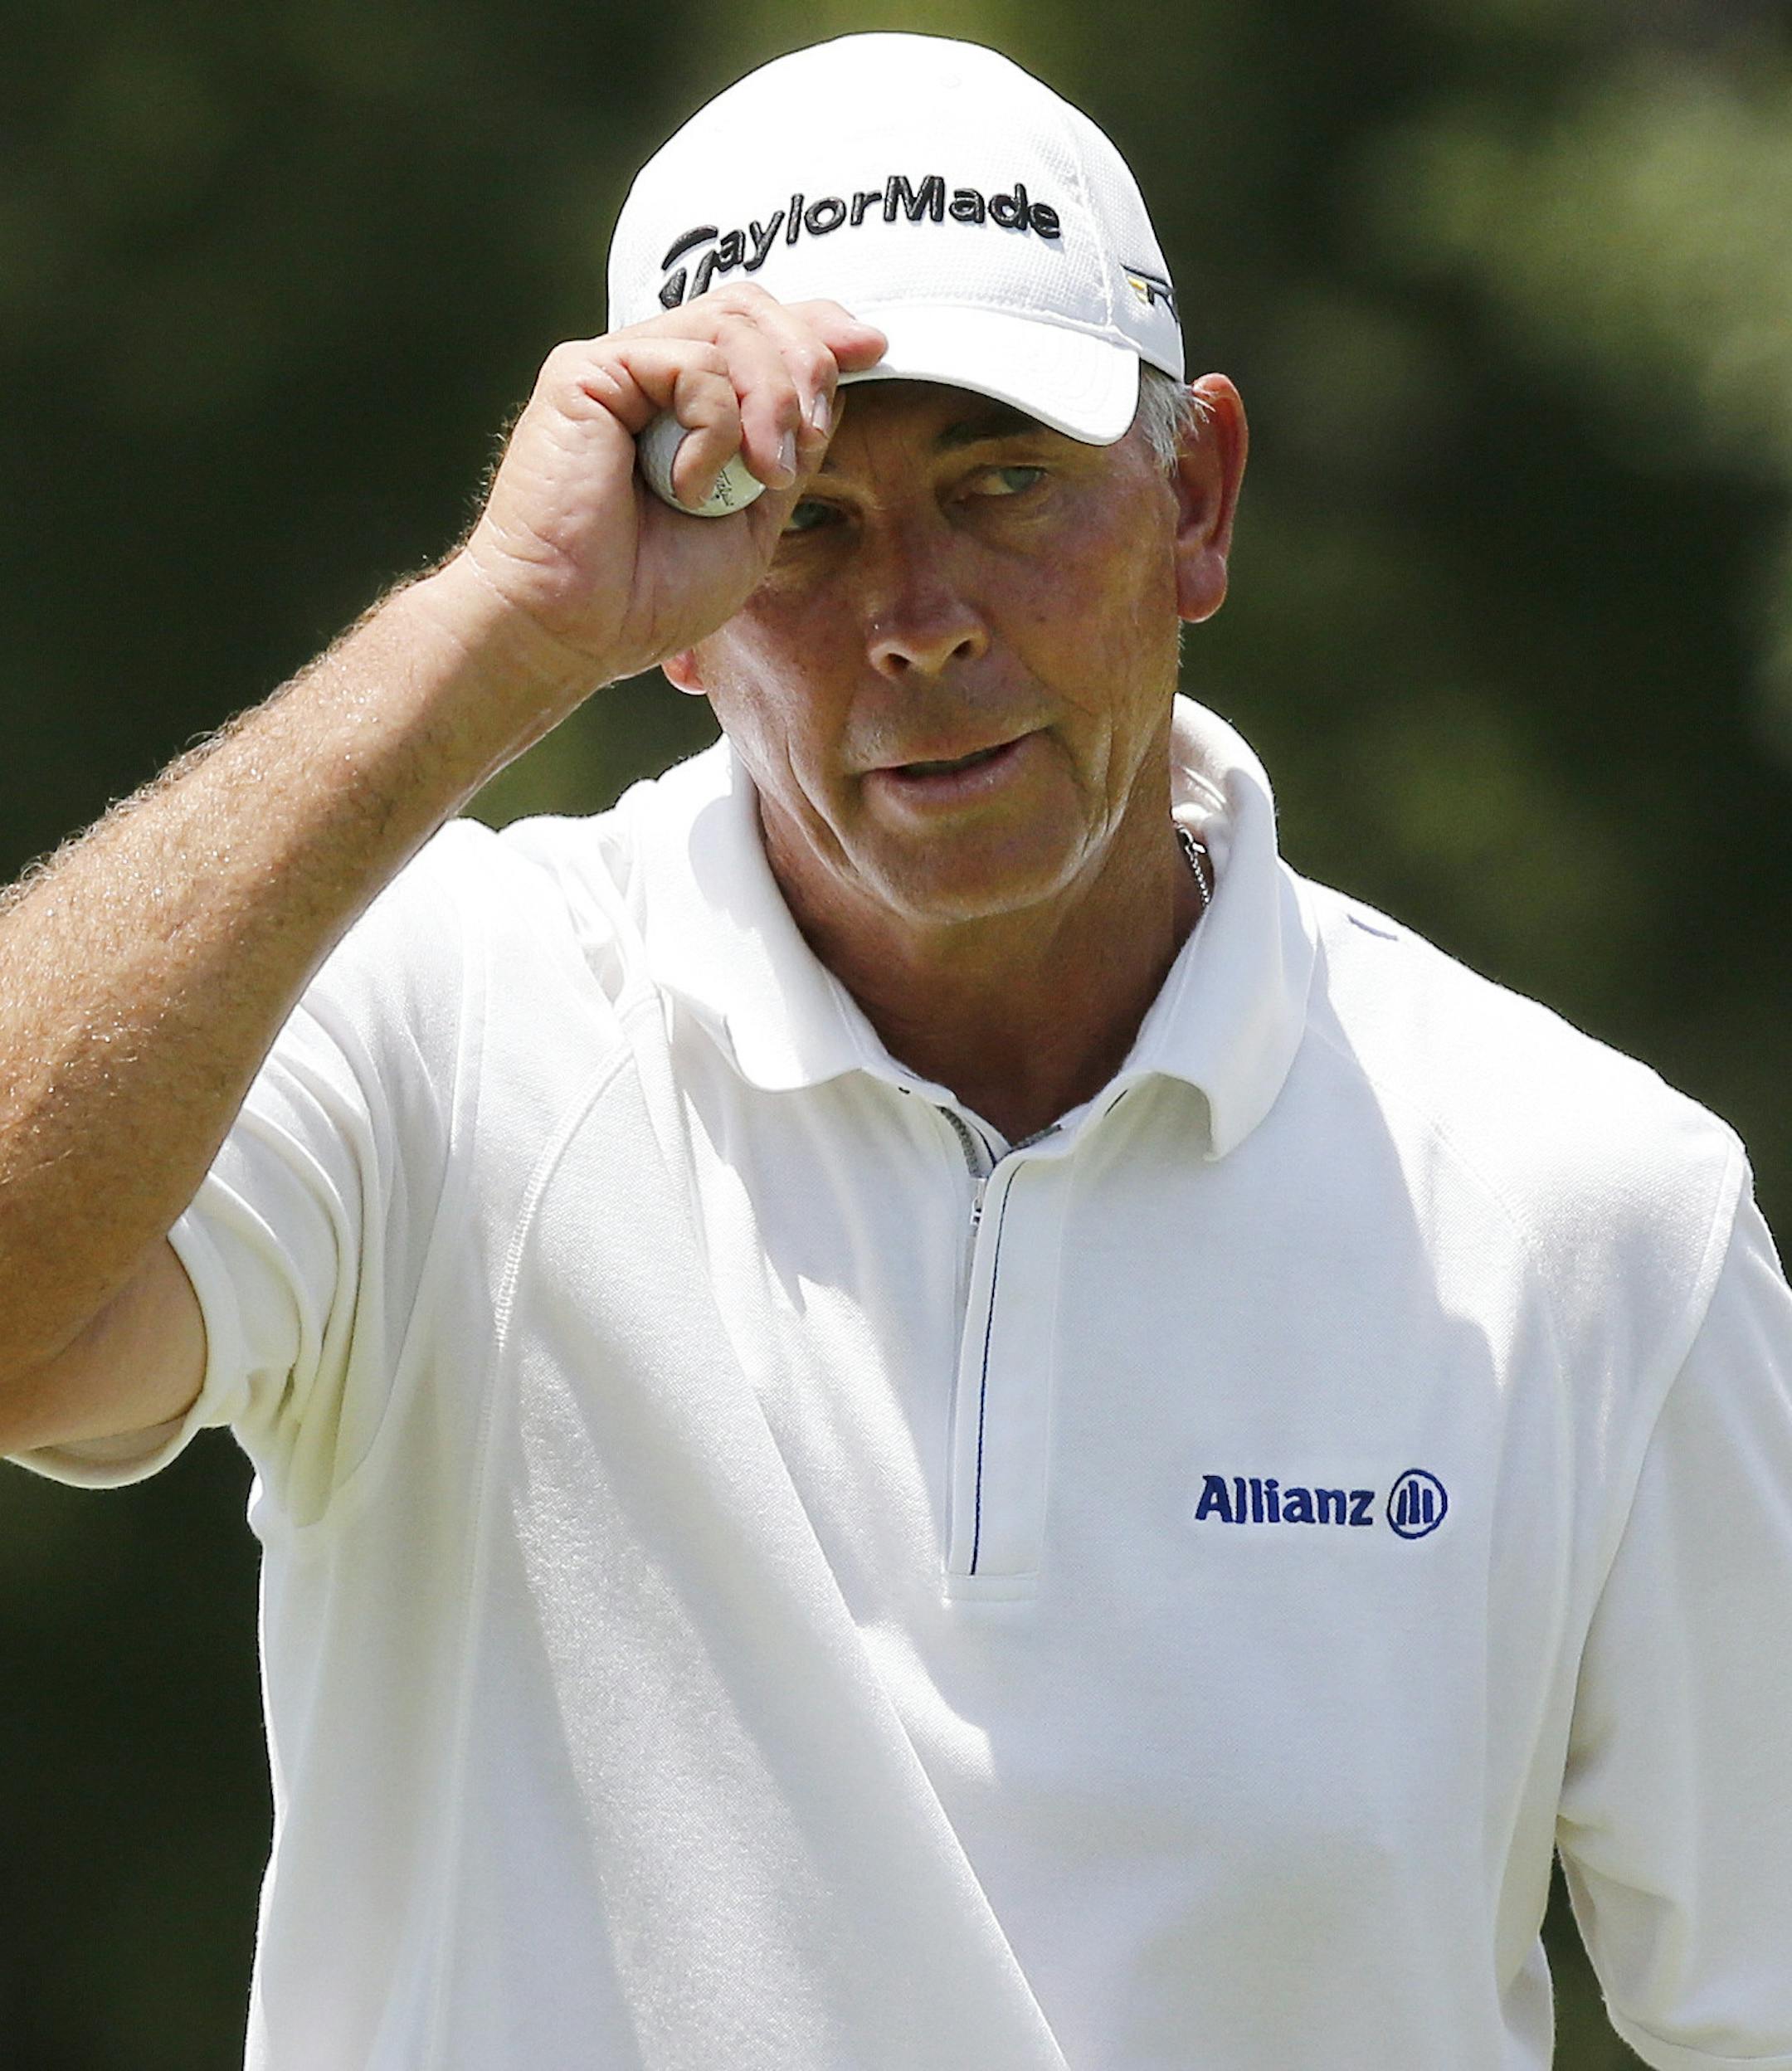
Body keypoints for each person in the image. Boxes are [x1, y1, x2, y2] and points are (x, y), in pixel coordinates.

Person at [2, 29, 1788, 2070]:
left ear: (1195, 501)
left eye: (1004, 483)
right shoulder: (443, 1027)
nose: (921, 616)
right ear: (672, 623)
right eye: (805, 530)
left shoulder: (1594, 1211)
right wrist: (495, 623)